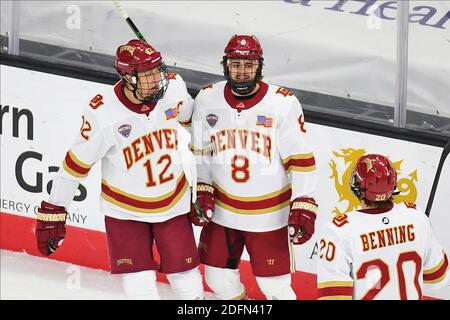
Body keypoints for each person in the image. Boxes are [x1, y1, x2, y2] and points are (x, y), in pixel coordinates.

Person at [35, 39, 204, 300]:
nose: (157, 80)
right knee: (140, 286)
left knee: (187, 282)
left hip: (174, 205)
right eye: (147, 75)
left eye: (157, 71)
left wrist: (204, 181)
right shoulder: (103, 112)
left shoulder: (174, 89)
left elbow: (197, 124)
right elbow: (76, 166)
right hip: (125, 212)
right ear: (127, 77)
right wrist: (54, 209)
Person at [189, 34, 318, 300]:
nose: (242, 71)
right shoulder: (207, 98)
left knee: (275, 289)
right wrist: (201, 184)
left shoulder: (282, 103)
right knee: (217, 279)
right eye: (235, 64)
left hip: (269, 215)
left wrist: (304, 200)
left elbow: (301, 159)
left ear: (259, 66)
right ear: (225, 65)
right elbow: (201, 150)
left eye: (249, 64)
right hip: (223, 212)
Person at [317, 154, 449, 300]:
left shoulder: (338, 232)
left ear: (356, 186)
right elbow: (438, 277)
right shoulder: (416, 217)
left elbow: (333, 297)